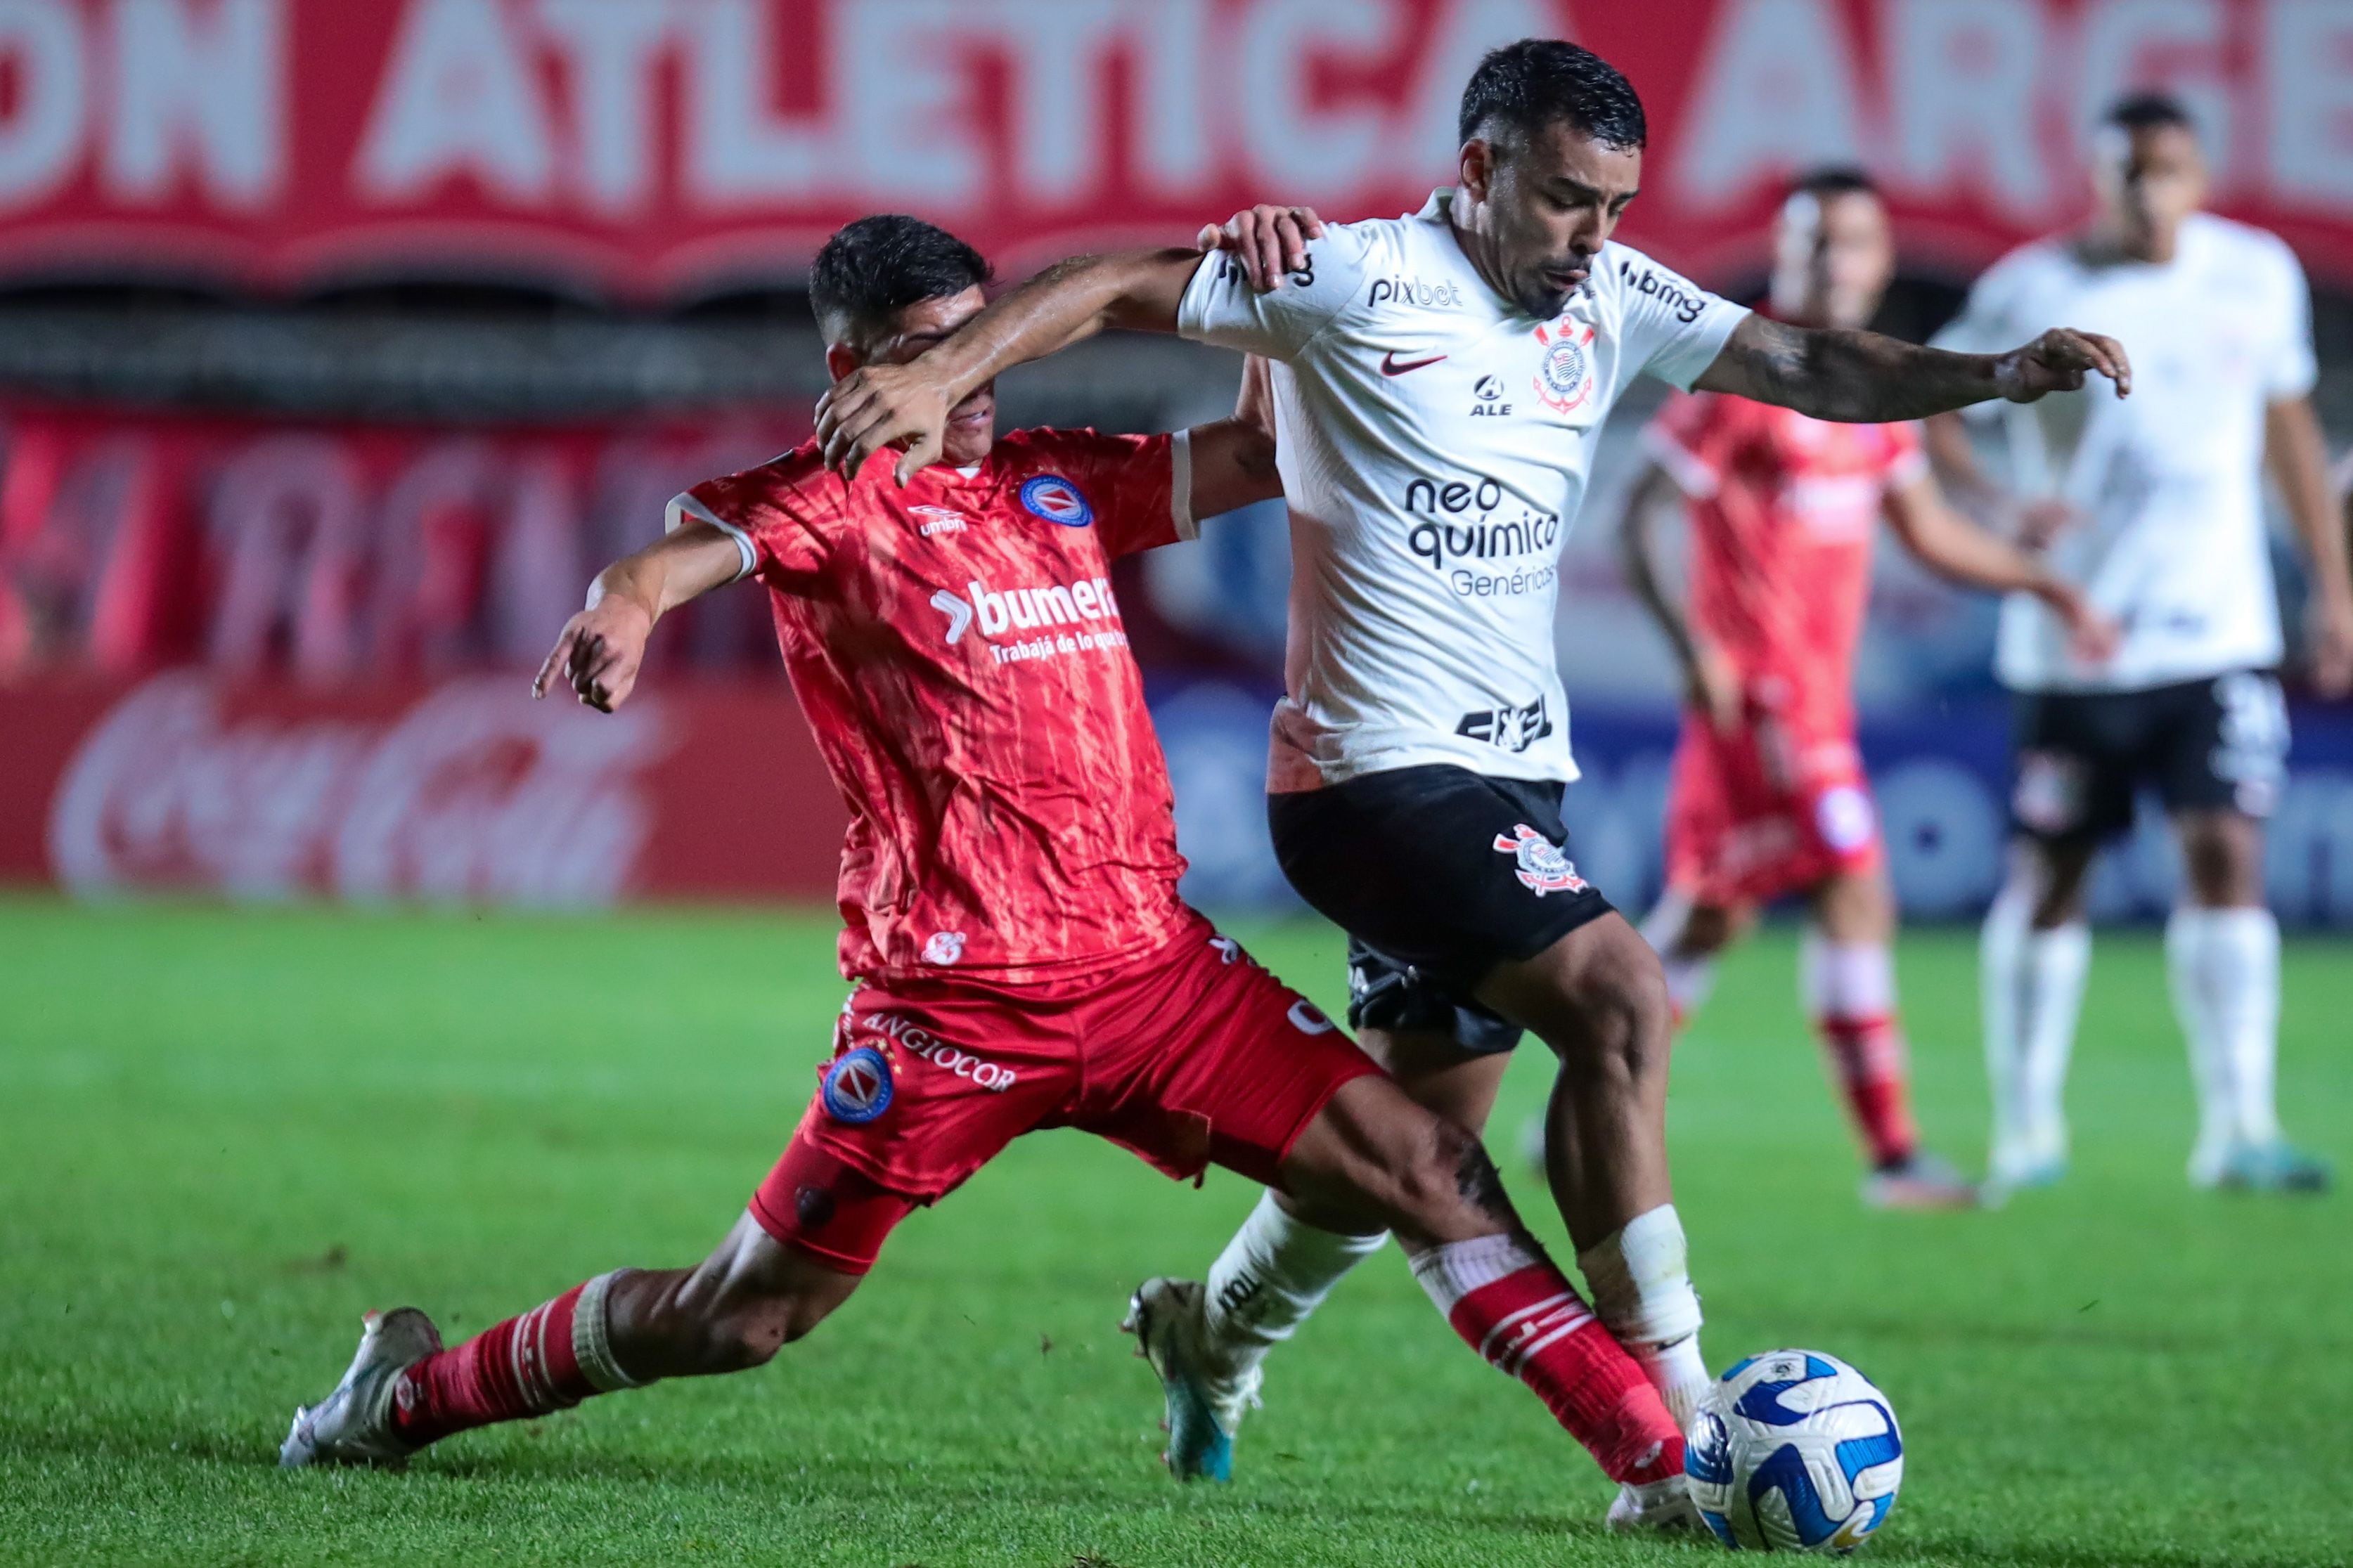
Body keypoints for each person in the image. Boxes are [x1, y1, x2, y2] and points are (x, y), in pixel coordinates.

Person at [813, 39, 2127, 1496]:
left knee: (1405, 1150)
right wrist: (944, 367)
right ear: (1483, 168)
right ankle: (1686, 1435)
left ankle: (1213, 1337)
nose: (1596, 238)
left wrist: (1995, 375)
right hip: (1372, 782)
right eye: (1567, 200)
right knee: (1623, 1002)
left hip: (1516, 777)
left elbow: (1805, 359)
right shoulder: (1348, 277)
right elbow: (1117, 283)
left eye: (1616, 206)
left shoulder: (1613, 297)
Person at [277, 215, 1706, 1527]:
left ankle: (1664, 1465)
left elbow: (1270, 454)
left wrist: (1273, 285)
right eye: (931, 350)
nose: (974, 373)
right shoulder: (824, 504)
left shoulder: (1056, 477)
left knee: (1431, 1165)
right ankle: (405, 1394)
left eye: (987, 336)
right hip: (955, 1011)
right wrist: (623, 615)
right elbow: (669, 559)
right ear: (848, 367)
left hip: (1154, 975)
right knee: (741, 1319)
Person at [1616, 168, 2115, 1210]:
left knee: (1712, 918)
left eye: (1845, 242)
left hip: (1814, 699)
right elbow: (1637, 516)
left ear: (1882, 260)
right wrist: (1695, 647)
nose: (1825, 262)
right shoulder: (1746, 381)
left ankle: (1588, 1090)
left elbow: (1929, 536)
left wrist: (2046, 584)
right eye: (1806, 243)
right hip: (1761, 696)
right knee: (1855, 887)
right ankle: (1893, 1159)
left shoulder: (1876, 404)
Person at [1926, 92, 2353, 1196]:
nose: (2147, 192)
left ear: (2200, 175)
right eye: (2127, 172)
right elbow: (1932, 403)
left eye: (2165, 170)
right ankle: (2026, 1132)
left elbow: (2288, 428)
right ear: (2095, 177)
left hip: (2218, 633)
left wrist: (2334, 592)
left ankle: (2239, 1129)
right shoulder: (2037, 287)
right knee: (2053, 872)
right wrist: (1994, 505)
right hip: (2079, 641)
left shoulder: (2252, 275)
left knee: (2228, 858)